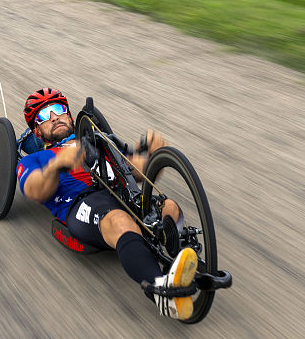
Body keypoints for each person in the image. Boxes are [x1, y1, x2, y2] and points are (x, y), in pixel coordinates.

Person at [15, 87, 199, 321]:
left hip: (122, 194)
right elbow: (33, 189)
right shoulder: (35, 159)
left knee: (169, 207)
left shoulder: (98, 141)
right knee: (119, 221)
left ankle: (177, 256)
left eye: (59, 110)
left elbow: (138, 172)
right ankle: (160, 289)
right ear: (37, 132)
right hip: (81, 204)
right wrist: (57, 164)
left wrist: (154, 155)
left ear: (70, 116)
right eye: (44, 115)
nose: (54, 117)